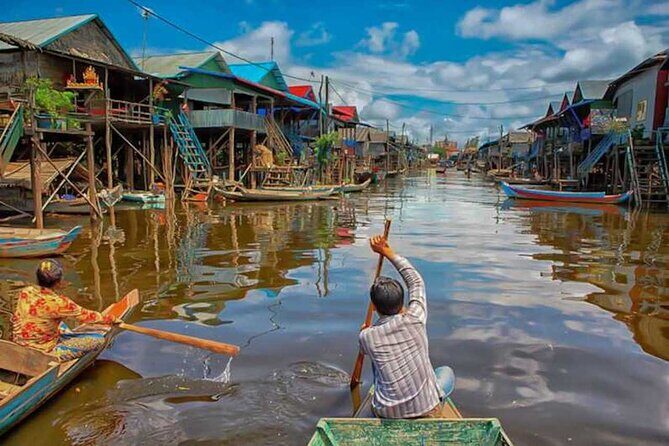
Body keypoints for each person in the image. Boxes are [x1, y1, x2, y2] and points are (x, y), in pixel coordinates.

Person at [359, 235, 455, 419]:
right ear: (402, 302)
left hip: (387, 413)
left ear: (376, 308)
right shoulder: (415, 318)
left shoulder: (366, 337)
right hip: (427, 408)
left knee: (377, 367)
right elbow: (416, 281)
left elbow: (364, 347)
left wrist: (365, 330)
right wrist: (387, 251)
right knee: (445, 373)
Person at [12, 259, 118, 362]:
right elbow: (87, 316)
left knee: (59, 324)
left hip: (20, 342)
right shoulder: (60, 303)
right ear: (58, 282)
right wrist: (112, 319)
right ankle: (56, 353)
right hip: (43, 350)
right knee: (98, 340)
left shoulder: (26, 291)